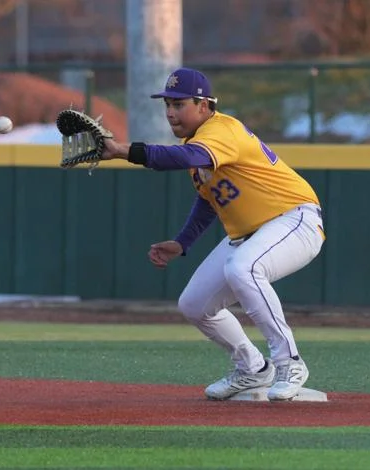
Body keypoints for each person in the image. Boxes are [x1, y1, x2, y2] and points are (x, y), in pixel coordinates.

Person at [98, 67, 326, 401]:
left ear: (204, 105)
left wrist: (123, 150)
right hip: (251, 234)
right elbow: (209, 201)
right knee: (194, 304)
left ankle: (289, 362)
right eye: (168, 105)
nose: (171, 112)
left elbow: (187, 156)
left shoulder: (221, 129)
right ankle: (253, 369)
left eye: (180, 104)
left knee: (243, 268)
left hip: (294, 219)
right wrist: (182, 242)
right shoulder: (199, 145)